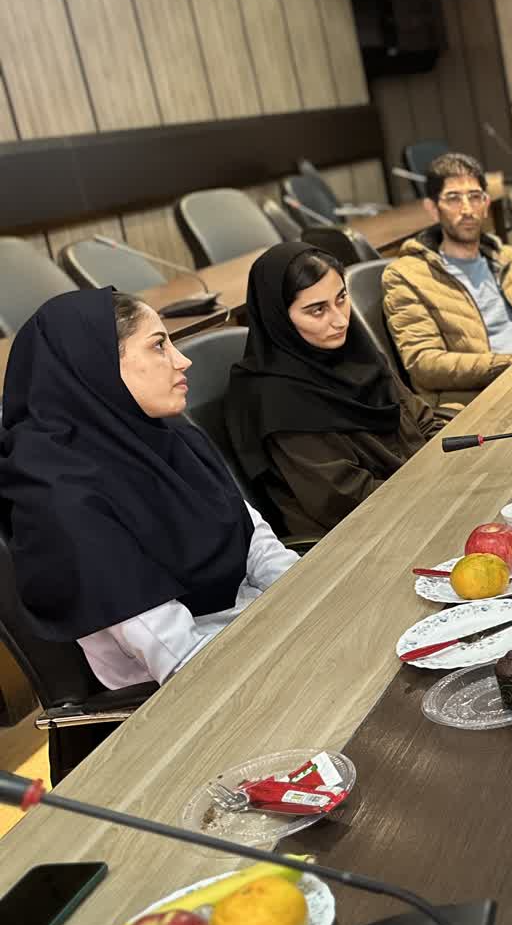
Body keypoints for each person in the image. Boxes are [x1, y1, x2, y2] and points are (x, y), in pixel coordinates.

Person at [0, 290, 298, 688]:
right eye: (159, 346)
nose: (181, 360)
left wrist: (314, 601)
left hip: (260, 631)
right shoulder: (62, 502)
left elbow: (259, 547)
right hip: (191, 687)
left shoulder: (172, 438)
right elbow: (181, 659)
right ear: (98, 366)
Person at [227, 243, 444, 537]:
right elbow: (344, 497)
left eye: (341, 298)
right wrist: (437, 487)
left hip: (420, 498)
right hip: (361, 536)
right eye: (317, 310)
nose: (341, 320)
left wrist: (456, 466)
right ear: (278, 317)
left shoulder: (358, 353)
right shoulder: (275, 398)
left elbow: (424, 422)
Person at [383, 152, 512, 407]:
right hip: (484, 398)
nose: (467, 209)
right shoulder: (406, 275)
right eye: (453, 198)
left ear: (485, 204)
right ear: (432, 208)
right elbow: (424, 364)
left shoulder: (502, 256)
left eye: (475, 197)